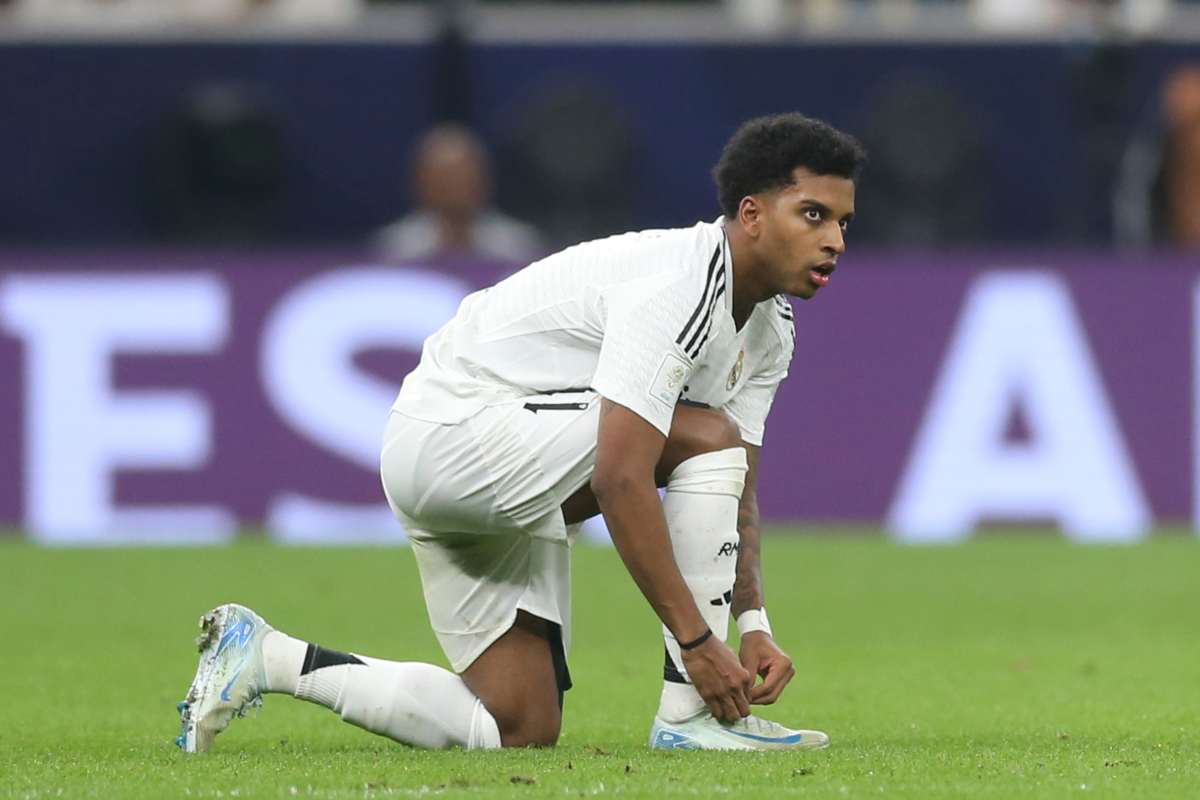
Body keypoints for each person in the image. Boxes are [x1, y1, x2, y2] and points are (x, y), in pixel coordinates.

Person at [175, 112, 865, 753]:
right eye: (812, 214)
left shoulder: (772, 329)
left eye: (840, 220)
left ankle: (263, 657)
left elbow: (734, 482)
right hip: (455, 435)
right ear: (750, 214)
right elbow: (621, 477)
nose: (832, 238)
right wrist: (695, 643)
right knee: (700, 435)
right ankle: (690, 717)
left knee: (518, 724)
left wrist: (753, 626)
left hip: (507, 466)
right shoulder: (677, 285)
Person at [373, 124, 546, 264]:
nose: (453, 188)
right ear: (419, 184)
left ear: (483, 180)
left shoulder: (517, 247)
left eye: (461, 177)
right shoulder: (395, 250)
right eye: (442, 180)